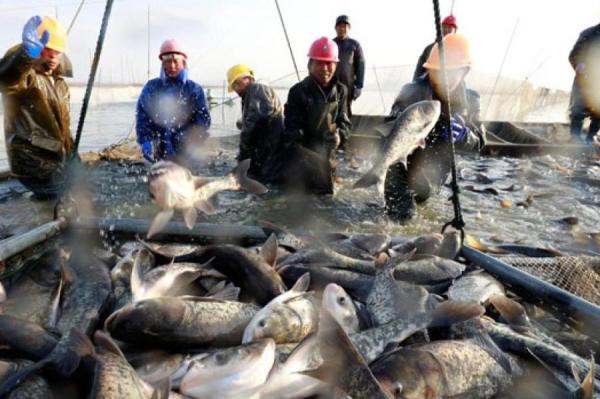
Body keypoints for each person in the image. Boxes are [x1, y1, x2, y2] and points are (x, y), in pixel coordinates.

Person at [384, 33, 485, 220]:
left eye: (449, 73)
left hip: (433, 175)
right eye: (435, 72)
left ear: (465, 71)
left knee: (421, 210)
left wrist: (465, 137)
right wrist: (403, 122)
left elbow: (480, 143)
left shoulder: (471, 100)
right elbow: (388, 130)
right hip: (400, 169)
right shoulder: (411, 91)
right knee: (402, 218)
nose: (440, 79)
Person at [0, 16, 72, 199]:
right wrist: (25, 55)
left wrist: (74, 158)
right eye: (48, 49)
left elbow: (64, 128)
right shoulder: (25, 76)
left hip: (54, 160)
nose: (54, 55)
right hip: (32, 163)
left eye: (58, 51)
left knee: (81, 188)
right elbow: (7, 78)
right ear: (38, 47)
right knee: (66, 197)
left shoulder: (59, 83)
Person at [282, 37, 351, 195]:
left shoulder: (341, 91)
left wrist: (340, 135)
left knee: (328, 195)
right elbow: (291, 134)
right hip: (303, 157)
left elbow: (345, 124)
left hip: (328, 155)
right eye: (319, 63)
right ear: (310, 65)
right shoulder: (298, 92)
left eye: (329, 63)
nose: (325, 68)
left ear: (336, 65)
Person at [136, 39, 211, 163]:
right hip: (158, 151)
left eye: (175, 61)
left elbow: (202, 121)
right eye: (167, 61)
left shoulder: (194, 89)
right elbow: (143, 116)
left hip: (186, 153)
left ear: (183, 62)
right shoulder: (151, 87)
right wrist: (145, 140)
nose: (172, 66)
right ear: (162, 63)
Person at [226, 64, 285, 183]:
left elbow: (257, 118)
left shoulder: (257, 89)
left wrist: (243, 150)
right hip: (265, 151)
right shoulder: (250, 95)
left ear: (248, 79)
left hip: (272, 151)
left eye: (237, 84)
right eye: (234, 86)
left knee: (267, 183)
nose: (236, 89)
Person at [568, 23, 600, 143]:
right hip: (584, 79)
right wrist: (579, 64)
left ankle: (590, 138)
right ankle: (575, 139)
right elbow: (574, 54)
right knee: (578, 110)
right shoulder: (589, 34)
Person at [332, 15, 365, 121]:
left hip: (348, 86)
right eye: (339, 26)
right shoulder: (331, 44)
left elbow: (361, 64)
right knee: (331, 111)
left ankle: (345, 134)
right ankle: (331, 134)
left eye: (345, 26)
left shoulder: (355, 45)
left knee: (345, 112)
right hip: (331, 86)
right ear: (335, 28)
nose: (342, 28)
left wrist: (359, 86)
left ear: (349, 28)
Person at [413, 15, 458, 81]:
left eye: (449, 28)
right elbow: (419, 70)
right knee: (408, 87)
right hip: (429, 82)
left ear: (455, 31)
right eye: (444, 27)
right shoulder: (429, 48)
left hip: (451, 84)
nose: (446, 30)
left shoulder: (458, 51)